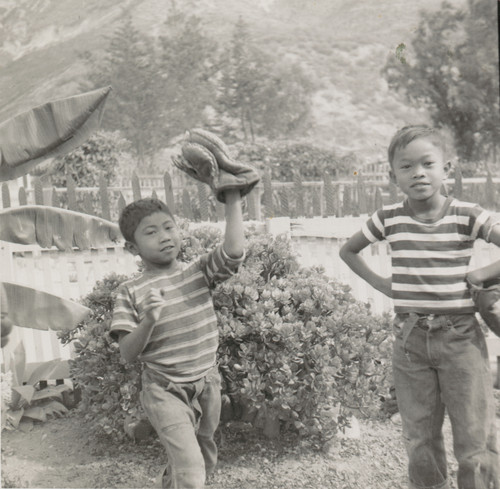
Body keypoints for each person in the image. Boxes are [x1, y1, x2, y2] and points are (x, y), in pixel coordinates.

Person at [340, 125, 499, 489]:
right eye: (407, 167)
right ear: (394, 175)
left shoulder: (466, 214)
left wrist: (481, 274)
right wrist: (382, 284)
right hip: (410, 342)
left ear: (447, 167)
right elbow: (347, 251)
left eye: (428, 163)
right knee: (419, 441)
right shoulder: (389, 218)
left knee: (475, 440)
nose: (419, 173)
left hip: (461, 339)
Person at [109, 192, 245, 489]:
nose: (164, 236)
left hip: (207, 383)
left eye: (169, 227)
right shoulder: (130, 291)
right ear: (132, 247)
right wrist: (149, 319)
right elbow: (127, 353)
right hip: (164, 390)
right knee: (190, 465)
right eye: (151, 232)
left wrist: (233, 198)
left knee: (203, 455)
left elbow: (233, 251)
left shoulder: (198, 272)